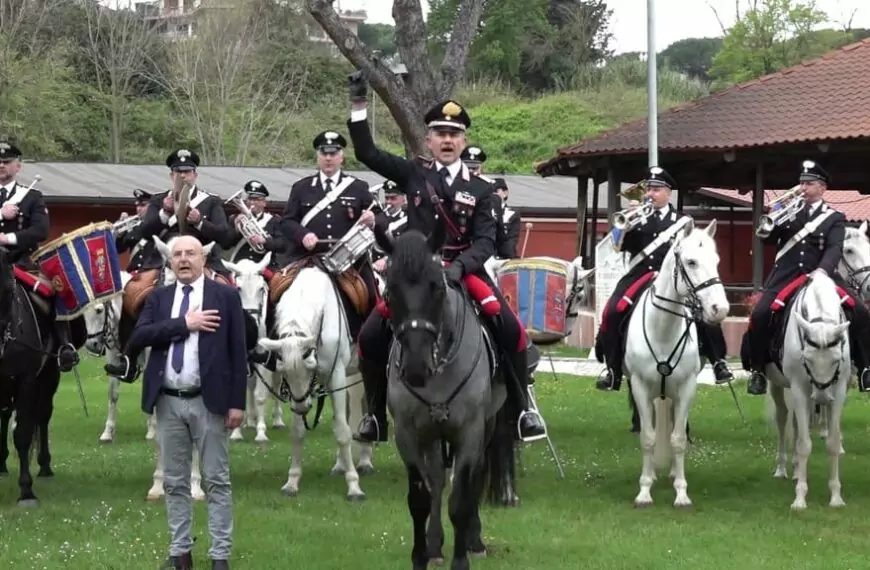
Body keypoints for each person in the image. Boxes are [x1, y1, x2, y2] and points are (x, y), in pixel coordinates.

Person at [345, 72, 546, 442]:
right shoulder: (412, 173)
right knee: (371, 334)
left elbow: (486, 242)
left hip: (463, 272)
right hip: (418, 276)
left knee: (511, 330)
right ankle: (375, 415)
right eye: (441, 134)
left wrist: (457, 268)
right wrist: (359, 106)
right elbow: (366, 153)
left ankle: (523, 410)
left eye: (454, 134)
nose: (448, 140)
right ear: (429, 140)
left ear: (464, 140)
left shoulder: (482, 190)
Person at [127, 235, 246, 570]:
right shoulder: (160, 298)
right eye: (177, 254)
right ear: (169, 261)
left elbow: (238, 352)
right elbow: (138, 337)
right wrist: (184, 324)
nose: (183, 259)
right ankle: (181, 553)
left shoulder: (225, 296)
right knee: (175, 482)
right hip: (168, 402)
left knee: (216, 480)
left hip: (210, 403)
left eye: (190, 254)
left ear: (203, 259)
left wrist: (237, 403)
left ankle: (219, 556)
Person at [594, 166, 733, 391]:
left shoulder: (682, 222)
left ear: (669, 193)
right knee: (612, 311)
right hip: (639, 275)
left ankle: (718, 361)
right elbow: (616, 246)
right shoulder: (636, 218)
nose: (650, 193)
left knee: (702, 311)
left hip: (673, 278)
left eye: (656, 189)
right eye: (648, 189)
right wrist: (626, 223)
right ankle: (613, 369)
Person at [744, 160, 870, 395]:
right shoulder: (788, 213)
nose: (803, 188)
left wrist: (822, 271)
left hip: (824, 274)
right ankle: (758, 370)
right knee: (760, 314)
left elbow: (834, 248)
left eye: (809, 184)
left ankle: (864, 368)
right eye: (801, 183)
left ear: (822, 188)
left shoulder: (834, 218)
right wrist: (772, 218)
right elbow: (767, 239)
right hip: (787, 275)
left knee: (861, 312)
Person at [106, 148, 233, 382]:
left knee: (231, 293)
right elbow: (143, 231)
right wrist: (165, 212)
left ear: (195, 174)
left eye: (187, 171)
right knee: (132, 294)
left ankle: (240, 353)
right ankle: (128, 358)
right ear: (171, 175)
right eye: (177, 172)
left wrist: (201, 222)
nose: (182, 176)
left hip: (203, 259)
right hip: (163, 259)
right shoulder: (158, 200)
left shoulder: (211, 202)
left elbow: (225, 237)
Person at [278, 130, 386, 339]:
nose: (328, 158)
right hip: (306, 258)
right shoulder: (301, 188)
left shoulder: (358, 187)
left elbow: (381, 218)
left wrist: (372, 218)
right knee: (277, 292)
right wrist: (303, 235)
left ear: (341, 156)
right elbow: (287, 221)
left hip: (349, 260)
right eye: (324, 153)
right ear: (317, 156)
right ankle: (275, 350)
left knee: (372, 297)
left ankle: (370, 348)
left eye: (333, 153)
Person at [0, 141, 80, 371]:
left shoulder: (32, 196)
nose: (2, 165)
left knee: (54, 289)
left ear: (18, 166)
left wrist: (6, 239)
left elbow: (40, 231)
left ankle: (64, 345)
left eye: (7, 162)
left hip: (21, 262)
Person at [222, 180, 287, 266]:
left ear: (264, 203)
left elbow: (283, 245)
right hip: (240, 264)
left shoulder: (275, 221)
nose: (252, 203)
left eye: (256, 199)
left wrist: (265, 241)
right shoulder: (234, 219)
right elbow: (225, 245)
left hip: (263, 266)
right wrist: (236, 230)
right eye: (250, 199)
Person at [371, 180, 407, 271]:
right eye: (387, 198)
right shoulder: (376, 219)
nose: (389, 202)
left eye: (393, 198)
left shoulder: (409, 220)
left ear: (403, 199)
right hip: (375, 267)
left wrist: (387, 260)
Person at [114, 189, 152, 267]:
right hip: (135, 271)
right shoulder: (134, 226)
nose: (138, 209)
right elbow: (120, 249)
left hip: (151, 270)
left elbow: (142, 233)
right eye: (137, 205)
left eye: (143, 205)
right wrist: (120, 235)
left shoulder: (158, 224)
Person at [492, 177, 520, 259]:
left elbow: (510, 242)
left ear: (505, 193)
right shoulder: (482, 211)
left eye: (496, 191)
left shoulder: (512, 214)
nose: (492, 195)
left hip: (503, 257)